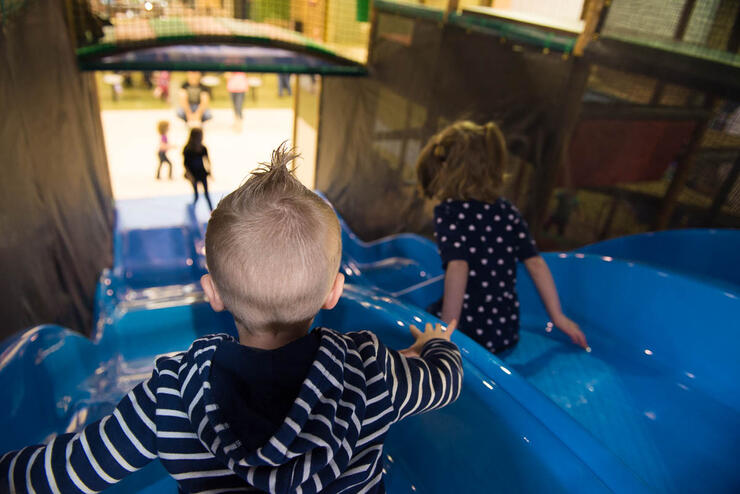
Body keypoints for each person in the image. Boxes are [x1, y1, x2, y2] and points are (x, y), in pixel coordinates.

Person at [0, 145, 463, 493]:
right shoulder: (371, 374)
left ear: (212, 294)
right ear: (334, 292)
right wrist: (433, 344)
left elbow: (65, 473)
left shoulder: (170, 396)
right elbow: (446, 380)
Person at [416, 120, 588, 354]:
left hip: (468, 329)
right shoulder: (507, 210)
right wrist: (558, 317)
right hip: (504, 331)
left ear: (449, 170)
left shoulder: (449, 211)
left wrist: (445, 334)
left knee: (420, 322)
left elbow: (458, 266)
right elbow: (536, 264)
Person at [183, 127, 213, 210]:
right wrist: (190, 176)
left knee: (206, 194)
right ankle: (192, 209)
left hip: (202, 172)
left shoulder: (203, 148)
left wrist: (210, 172)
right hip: (193, 174)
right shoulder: (188, 149)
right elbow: (185, 164)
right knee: (196, 195)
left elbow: (207, 160)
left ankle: (212, 211)